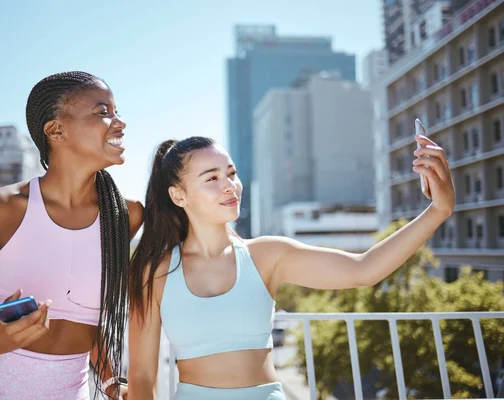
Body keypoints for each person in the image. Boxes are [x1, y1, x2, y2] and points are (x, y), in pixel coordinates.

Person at [127, 135, 455, 400]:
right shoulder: (154, 271)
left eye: (231, 173)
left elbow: (364, 269)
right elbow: (142, 377)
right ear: (178, 195)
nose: (229, 185)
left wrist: (438, 210)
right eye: (211, 178)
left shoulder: (268, 255)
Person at [0, 71, 143, 400]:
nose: (119, 122)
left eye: (117, 112)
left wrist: (110, 380)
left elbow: (88, 321)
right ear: (55, 130)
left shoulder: (126, 216)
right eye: (103, 112)